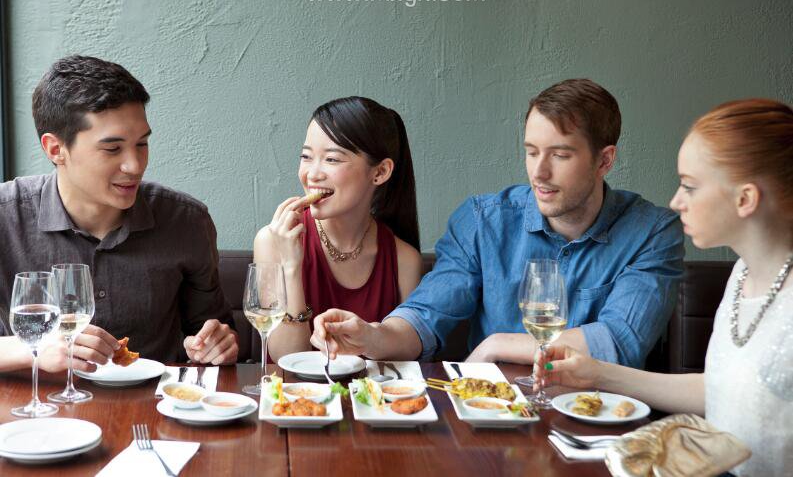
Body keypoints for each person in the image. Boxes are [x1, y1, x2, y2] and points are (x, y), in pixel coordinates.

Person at [312, 79, 685, 367]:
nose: (539, 172)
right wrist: (372, 336)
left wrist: (498, 344)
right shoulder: (483, 221)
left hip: (597, 422)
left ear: (604, 161)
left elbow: (620, 340)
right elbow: (426, 315)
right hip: (493, 416)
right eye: (532, 152)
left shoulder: (652, 232)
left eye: (560, 155)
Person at [534, 99, 793, 476]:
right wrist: (597, 374)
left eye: (689, 186)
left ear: (745, 199)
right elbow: (724, 390)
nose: (676, 201)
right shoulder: (743, 275)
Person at [0, 55, 238, 373]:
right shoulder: (6, 217)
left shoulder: (187, 221)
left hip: (153, 411)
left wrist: (218, 343)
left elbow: (216, 331)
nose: (135, 165)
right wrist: (35, 347)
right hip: (35, 412)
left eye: (141, 144)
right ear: (56, 149)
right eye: (112, 149)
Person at [254, 96, 422, 360]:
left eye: (331, 159)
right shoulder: (272, 240)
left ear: (379, 172)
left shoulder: (405, 260)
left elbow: (404, 364)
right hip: (299, 398)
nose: (312, 174)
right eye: (306, 156)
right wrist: (291, 266)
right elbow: (287, 358)